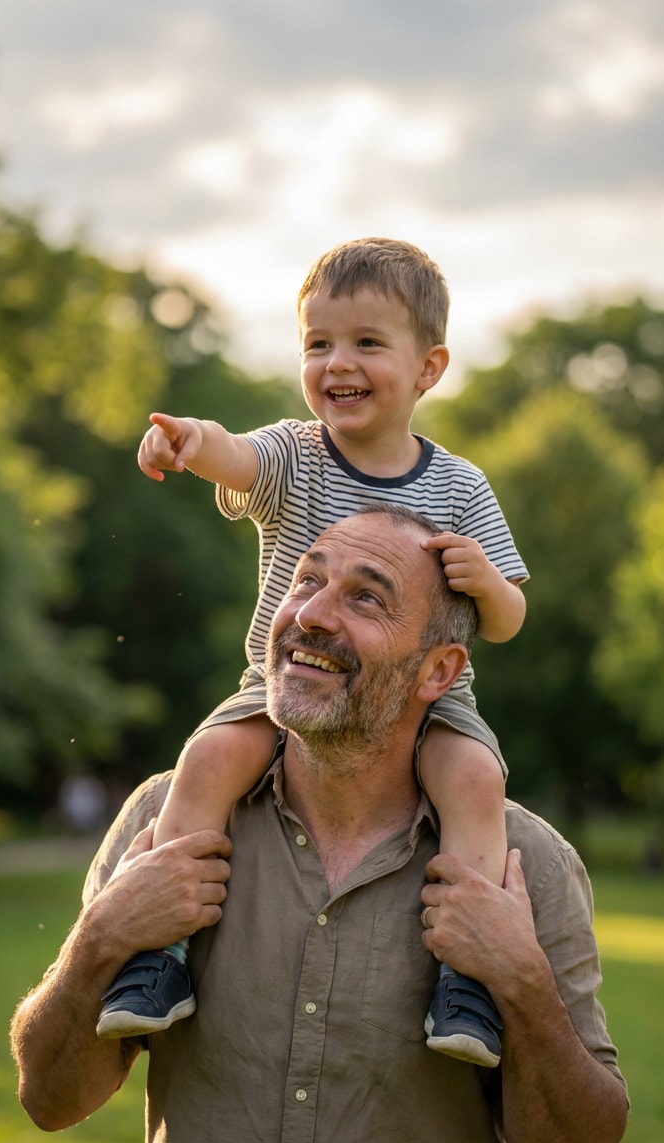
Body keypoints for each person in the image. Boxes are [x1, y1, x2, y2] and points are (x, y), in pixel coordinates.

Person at [10, 506, 629, 1143]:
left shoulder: (524, 867)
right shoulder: (166, 823)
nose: (310, 614)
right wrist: (100, 937)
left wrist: (523, 983)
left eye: (367, 598)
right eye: (306, 581)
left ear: (439, 671)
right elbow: (52, 1100)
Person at [99, 237, 529, 1067]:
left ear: (429, 367)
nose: (339, 363)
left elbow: (507, 620)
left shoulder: (460, 487)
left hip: (426, 697)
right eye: (318, 343)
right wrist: (189, 439)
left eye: (367, 342)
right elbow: (236, 453)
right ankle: (159, 957)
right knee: (208, 758)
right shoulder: (296, 455)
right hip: (285, 685)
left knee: (476, 781)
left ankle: (466, 983)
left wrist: (485, 583)